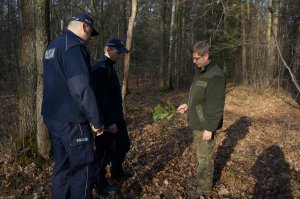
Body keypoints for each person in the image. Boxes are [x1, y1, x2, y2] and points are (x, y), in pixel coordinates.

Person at [42, 12, 104, 199]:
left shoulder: (53, 46)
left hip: (53, 117)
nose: (89, 39)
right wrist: (96, 120)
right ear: (84, 26)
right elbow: (81, 88)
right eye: (90, 32)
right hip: (72, 120)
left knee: (63, 166)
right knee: (83, 169)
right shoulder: (74, 47)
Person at [177, 41, 226, 196]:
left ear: (206, 56)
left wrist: (209, 129)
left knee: (206, 158)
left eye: (196, 58)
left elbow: (216, 106)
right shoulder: (201, 71)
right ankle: (200, 179)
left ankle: (204, 188)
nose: (194, 61)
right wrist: (187, 103)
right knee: (199, 154)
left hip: (205, 125)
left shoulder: (216, 76)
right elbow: (196, 94)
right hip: (197, 122)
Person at [91, 38, 132, 195]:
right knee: (103, 152)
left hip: (116, 116)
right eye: (118, 51)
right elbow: (101, 99)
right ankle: (99, 183)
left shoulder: (109, 67)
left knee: (124, 144)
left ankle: (117, 170)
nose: (120, 55)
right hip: (106, 120)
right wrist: (109, 122)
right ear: (108, 50)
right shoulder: (100, 68)